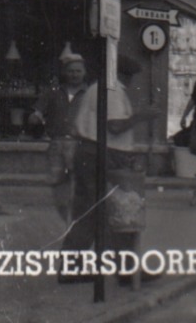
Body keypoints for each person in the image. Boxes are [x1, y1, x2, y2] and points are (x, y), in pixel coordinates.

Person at [64, 55, 159, 283]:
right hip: (103, 154)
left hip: (90, 152)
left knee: (90, 212)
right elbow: (114, 126)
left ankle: (73, 268)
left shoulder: (97, 89)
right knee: (119, 211)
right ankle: (126, 271)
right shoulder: (113, 90)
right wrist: (141, 116)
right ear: (123, 74)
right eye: (131, 76)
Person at [27, 53, 87, 222]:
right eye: (71, 71)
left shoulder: (89, 93)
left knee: (79, 185)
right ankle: (65, 221)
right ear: (64, 72)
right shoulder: (52, 93)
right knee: (58, 184)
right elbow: (37, 112)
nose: (74, 74)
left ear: (84, 72)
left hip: (80, 145)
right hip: (57, 143)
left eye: (78, 71)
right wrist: (35, 117)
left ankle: (77, 221)